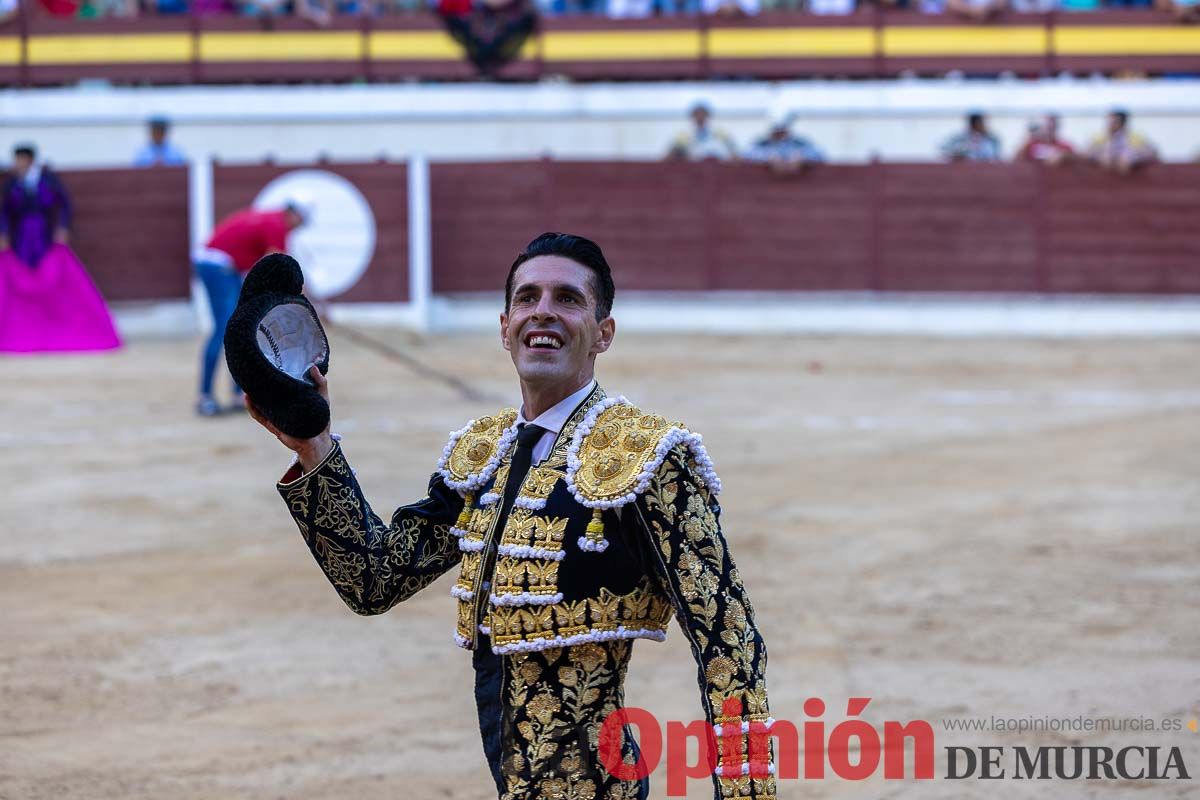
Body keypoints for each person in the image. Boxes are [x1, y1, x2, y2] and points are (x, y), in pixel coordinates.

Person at [247, 232, 776, 799]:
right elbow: (376, 580)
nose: (542, 311)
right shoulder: (484, 455)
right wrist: (315, 449)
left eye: (568, 299)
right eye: (527, 298)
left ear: (604, 333)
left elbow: (730, 644)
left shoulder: (646, 459)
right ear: (505, 328)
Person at [194, 200, 311, 417]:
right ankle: (205, 396)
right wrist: (305, 302)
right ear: (293, 213)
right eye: (301, 222)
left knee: (238, 328)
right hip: (219, 267)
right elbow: (281, 268)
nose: (298, 228)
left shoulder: (271, 219)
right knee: (226, 329)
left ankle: (237, 394)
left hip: (221, 267)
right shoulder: (276, 225)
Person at [0, 144, 120, 352]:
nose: (17, 164)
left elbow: (65, 204)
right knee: (24, 281)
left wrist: (63, 228)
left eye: (20, 159)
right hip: (20, 240)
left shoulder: (48, 180)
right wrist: (3, 233)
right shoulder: (12, 184)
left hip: (44, 237)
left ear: (29, 160)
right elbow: (3, 211)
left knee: (49, 279)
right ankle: (30, 330)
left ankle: (51, 327)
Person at [744, 112, 825, 174]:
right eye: (777, 130)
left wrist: (801, 157)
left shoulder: (799, 143)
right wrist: (768, 157)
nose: (779, 134)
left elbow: (820, 155)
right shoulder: (762, 143)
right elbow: (745, 155)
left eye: (782, 130)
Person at [1086, 108, 1158, 174]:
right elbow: (1087, 154)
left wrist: (1132, 156)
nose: (1109, 125)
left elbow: (1153, 153)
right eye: (1108, 122)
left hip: (1131, 178)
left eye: (1113, 122)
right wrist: (1100, 155)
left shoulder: (1137, 138)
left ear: (1122, 123)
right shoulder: (1099, 138)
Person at [666, 102, 739, 162]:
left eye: (703, 114)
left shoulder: (720, 133)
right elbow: (670, 154)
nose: (700, 117)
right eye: (697, 114)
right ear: (693, 116)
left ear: (707, 116)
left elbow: (733, 150)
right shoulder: (684, 136)